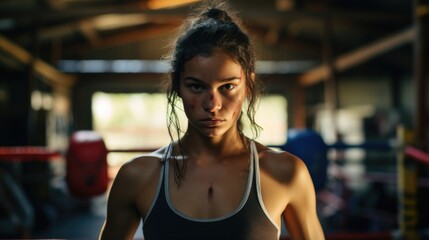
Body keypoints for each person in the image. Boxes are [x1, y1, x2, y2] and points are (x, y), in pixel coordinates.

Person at [99, 2, 324, 239]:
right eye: (196, 86)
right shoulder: (138, 176)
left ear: (247, 85)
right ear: (177, 85)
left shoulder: (285, 173)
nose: (212, 105)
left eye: (228, 86)